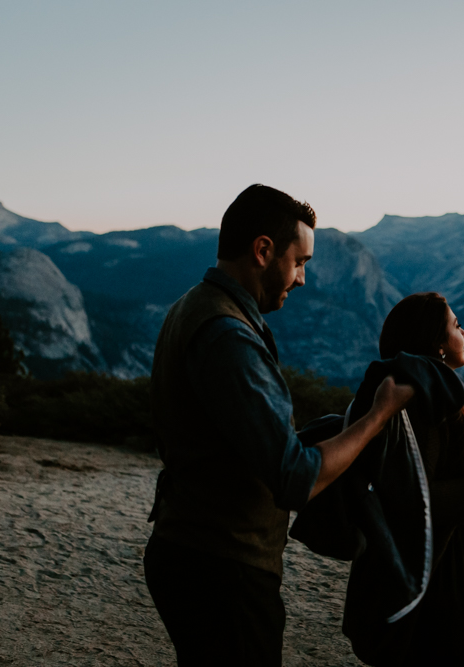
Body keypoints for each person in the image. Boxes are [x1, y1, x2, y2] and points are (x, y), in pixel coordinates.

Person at [143, 184, 414, 666]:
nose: (303, 279)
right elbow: (294, 478)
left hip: (187, 549)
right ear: (263, 250)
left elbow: (222, 437)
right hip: (225, 570)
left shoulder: (192, 305)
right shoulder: (230, 337)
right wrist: (377, 416)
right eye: (300, 261)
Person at [375, 292, 464, 667]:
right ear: (436, 343)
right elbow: (415, 497)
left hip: (442, 560)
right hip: (439, 570)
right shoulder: (425, 401)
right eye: (455, 325)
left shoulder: (428, 391)